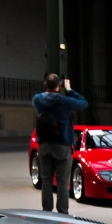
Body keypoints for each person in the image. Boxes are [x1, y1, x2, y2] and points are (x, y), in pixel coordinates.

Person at [32, 74, 87, 214]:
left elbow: (45, 96)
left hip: (44, 145)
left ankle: (47, 211)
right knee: (62, 181)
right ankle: (62, 212)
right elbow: (83, 102)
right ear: (59, 85)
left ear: (45, 84)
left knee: (46, 180)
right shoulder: (64, 102)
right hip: (62, 146)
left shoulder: (37, 99)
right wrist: (69, 89)